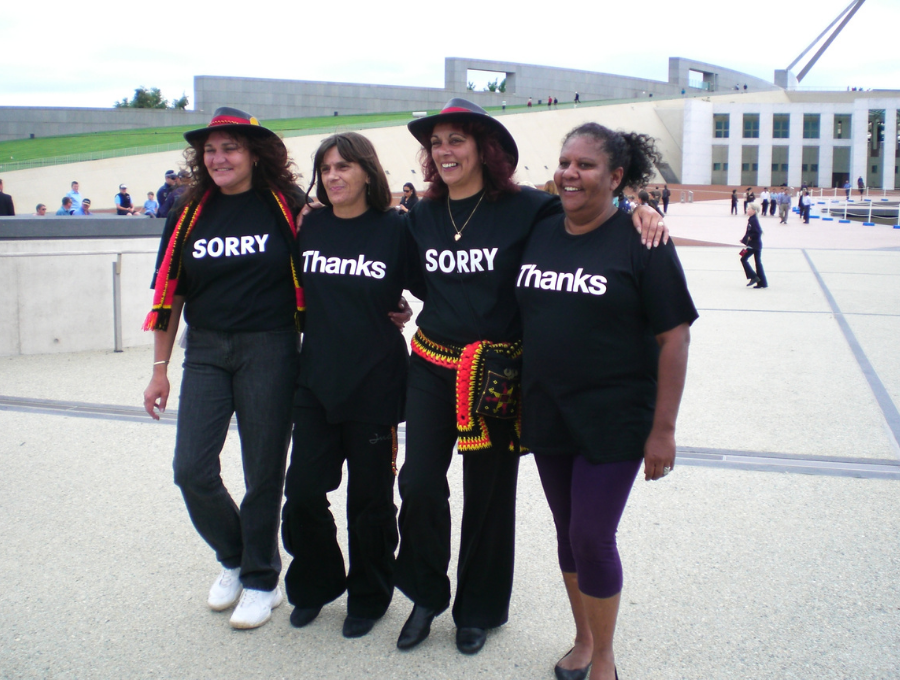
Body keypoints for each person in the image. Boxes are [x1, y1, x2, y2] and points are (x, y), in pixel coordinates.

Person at [393, 98, 665, 657]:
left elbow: (587, 205)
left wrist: (637, 207)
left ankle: (479, 609)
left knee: (490, 494)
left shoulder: (528, 209)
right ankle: (425, 594)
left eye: (456, 140)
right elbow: (408, 277)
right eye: (436, 143)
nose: (444, 151)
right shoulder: (420, 214)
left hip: (497, 372)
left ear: (484, 148)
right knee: (418, 483)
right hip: (432, 363)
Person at [516, 122, 696, 680]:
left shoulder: (643, 242)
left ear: (616, 177)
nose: (570, 173)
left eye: (586, 165)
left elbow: (675, 338)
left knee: (592, 535)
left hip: (615, 418)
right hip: (548, 410)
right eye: (565, 162)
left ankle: (606, 659)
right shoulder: (542, 225)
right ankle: (583, 638)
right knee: (567, 530)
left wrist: (663, 431)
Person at [142, 107, 305, 631]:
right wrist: (160, 369)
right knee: (190, 470)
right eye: (210, 150)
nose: (218, 158)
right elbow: (170, 294)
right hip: (207, 351)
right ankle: (236, 557)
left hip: (271, 347)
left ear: (254, 154)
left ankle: (262, 580)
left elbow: (332, 260)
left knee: (263, 473)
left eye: (230, 148)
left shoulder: (287, 204)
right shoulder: (188, 212)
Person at [280, 132, 424, 640]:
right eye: (325, 168)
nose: (333, 176)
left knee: (370, 501)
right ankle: (316, 583)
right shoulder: (310, 226)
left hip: (375, 383)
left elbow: (437, 286)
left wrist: (407, 311)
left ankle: (369, 594)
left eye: (343, 166)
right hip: (315, 380)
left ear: (367, 171)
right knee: (301, 492)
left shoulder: (396, 228)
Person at [741, 202, 767, 288]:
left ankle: (753, 277)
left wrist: (750, 237)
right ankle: (762, 283)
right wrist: (744, 239)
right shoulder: (752, 219)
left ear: (754, 211)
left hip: (753, 245)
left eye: (749, 209)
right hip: (756, 245)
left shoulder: (753, 220)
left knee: (743, 259)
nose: (747, 210)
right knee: (758, 263)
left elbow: (758, 232)